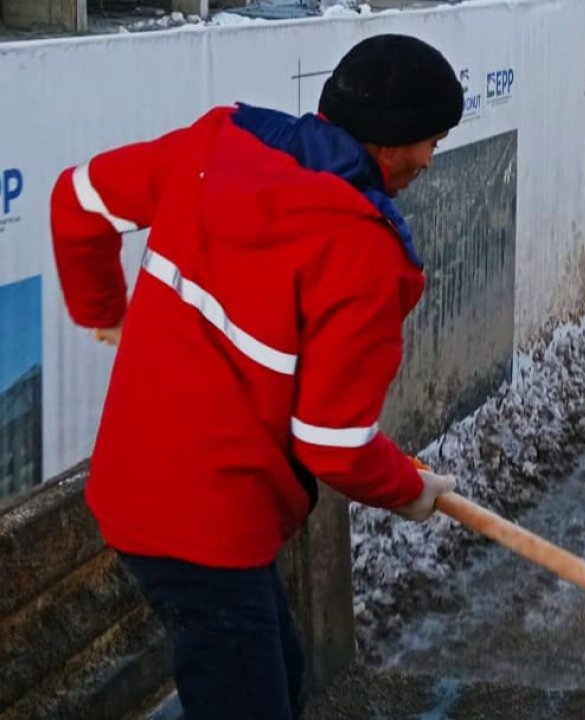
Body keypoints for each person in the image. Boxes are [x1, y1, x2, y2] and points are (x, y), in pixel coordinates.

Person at [49, 34, 462, 720]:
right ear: (390, 143)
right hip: (208, 526)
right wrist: (411, 489)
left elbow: (75, 202)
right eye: (430, 141)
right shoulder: (364, 255)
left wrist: (105, 312)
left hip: (136, 489)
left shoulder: (214, 145)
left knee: (278, 670)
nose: (429, 158)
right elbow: (332, 443)